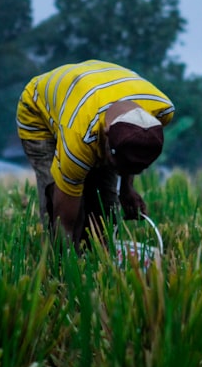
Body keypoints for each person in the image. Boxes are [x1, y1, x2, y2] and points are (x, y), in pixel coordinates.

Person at [16, 59, 175, 248]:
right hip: (39, 112)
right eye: (116, 165)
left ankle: (99, 258)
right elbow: (65, 219)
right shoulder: (79, 136)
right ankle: (55, 262)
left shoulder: (161, 112)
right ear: (106, 135)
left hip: (95, 92)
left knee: (105, 210)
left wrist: (126, 188)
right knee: (63, 211)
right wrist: (67, 262)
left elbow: (131, 147)